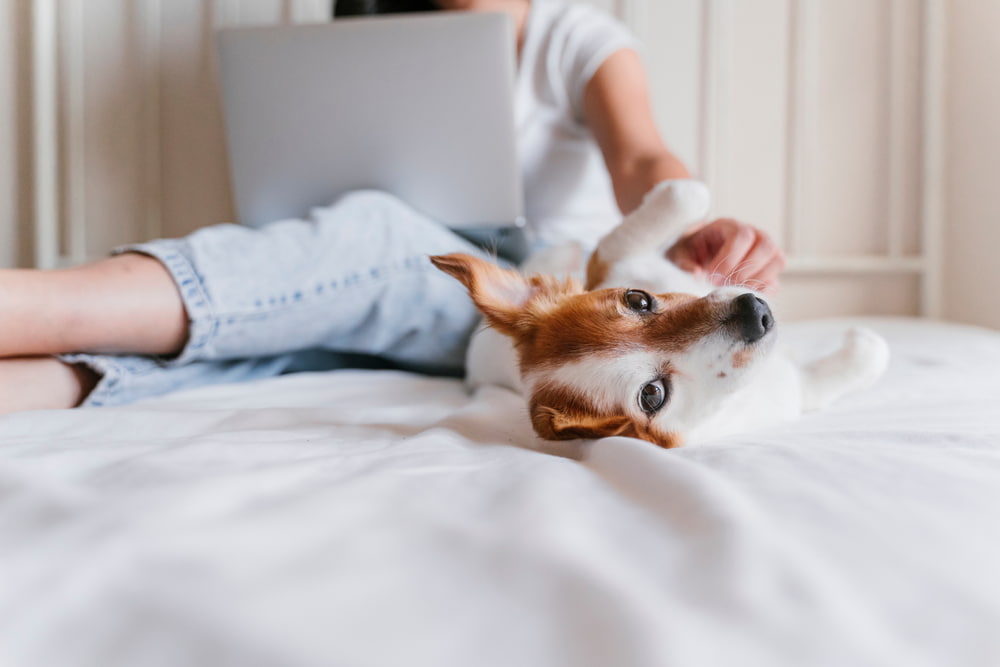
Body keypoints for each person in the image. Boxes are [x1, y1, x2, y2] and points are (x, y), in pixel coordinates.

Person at [0, 0, 784, 413]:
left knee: (376, 235)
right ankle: (45, 379)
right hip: (387, 298)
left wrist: (685, 227)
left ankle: (39, 305)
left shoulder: (575, 35)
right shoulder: (370, 35)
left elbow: (642, 158)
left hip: (526, 294)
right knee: (273, 342)